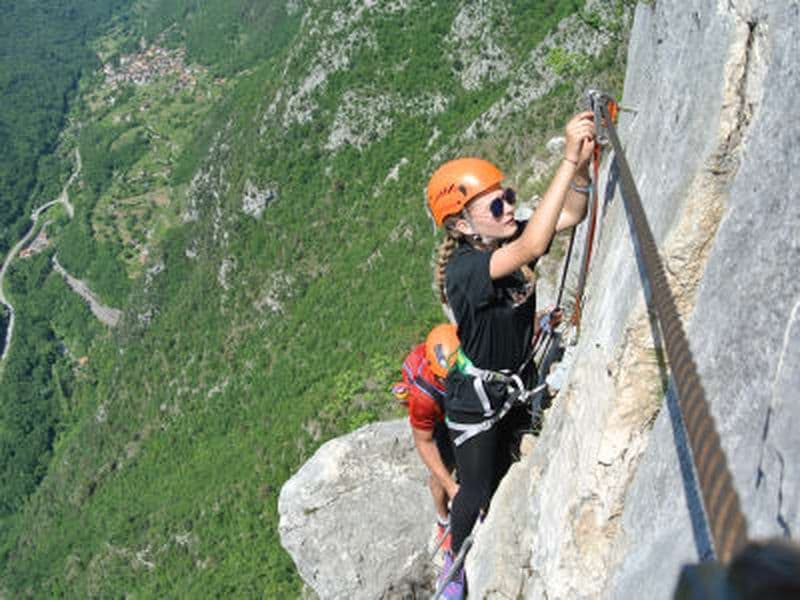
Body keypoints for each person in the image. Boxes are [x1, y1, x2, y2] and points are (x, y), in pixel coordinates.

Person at [426, 111, 596, 598]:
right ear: (461, 224)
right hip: (475, 399)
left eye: (508, 198)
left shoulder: (505, 234)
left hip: (516, 383)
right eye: (494, 204)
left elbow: (571, 215)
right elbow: (536, 242)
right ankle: (454, 569)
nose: (507, 208)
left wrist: (580, 169)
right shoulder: (466, 270)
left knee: (504, 472)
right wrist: (565, 159)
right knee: (476, 488)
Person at [391, 324, 461, 550]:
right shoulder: (424, 397)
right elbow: (424, 440)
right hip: (435, 412)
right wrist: (451, 486)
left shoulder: (459, 345)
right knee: (443, 468)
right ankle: (443, 519)